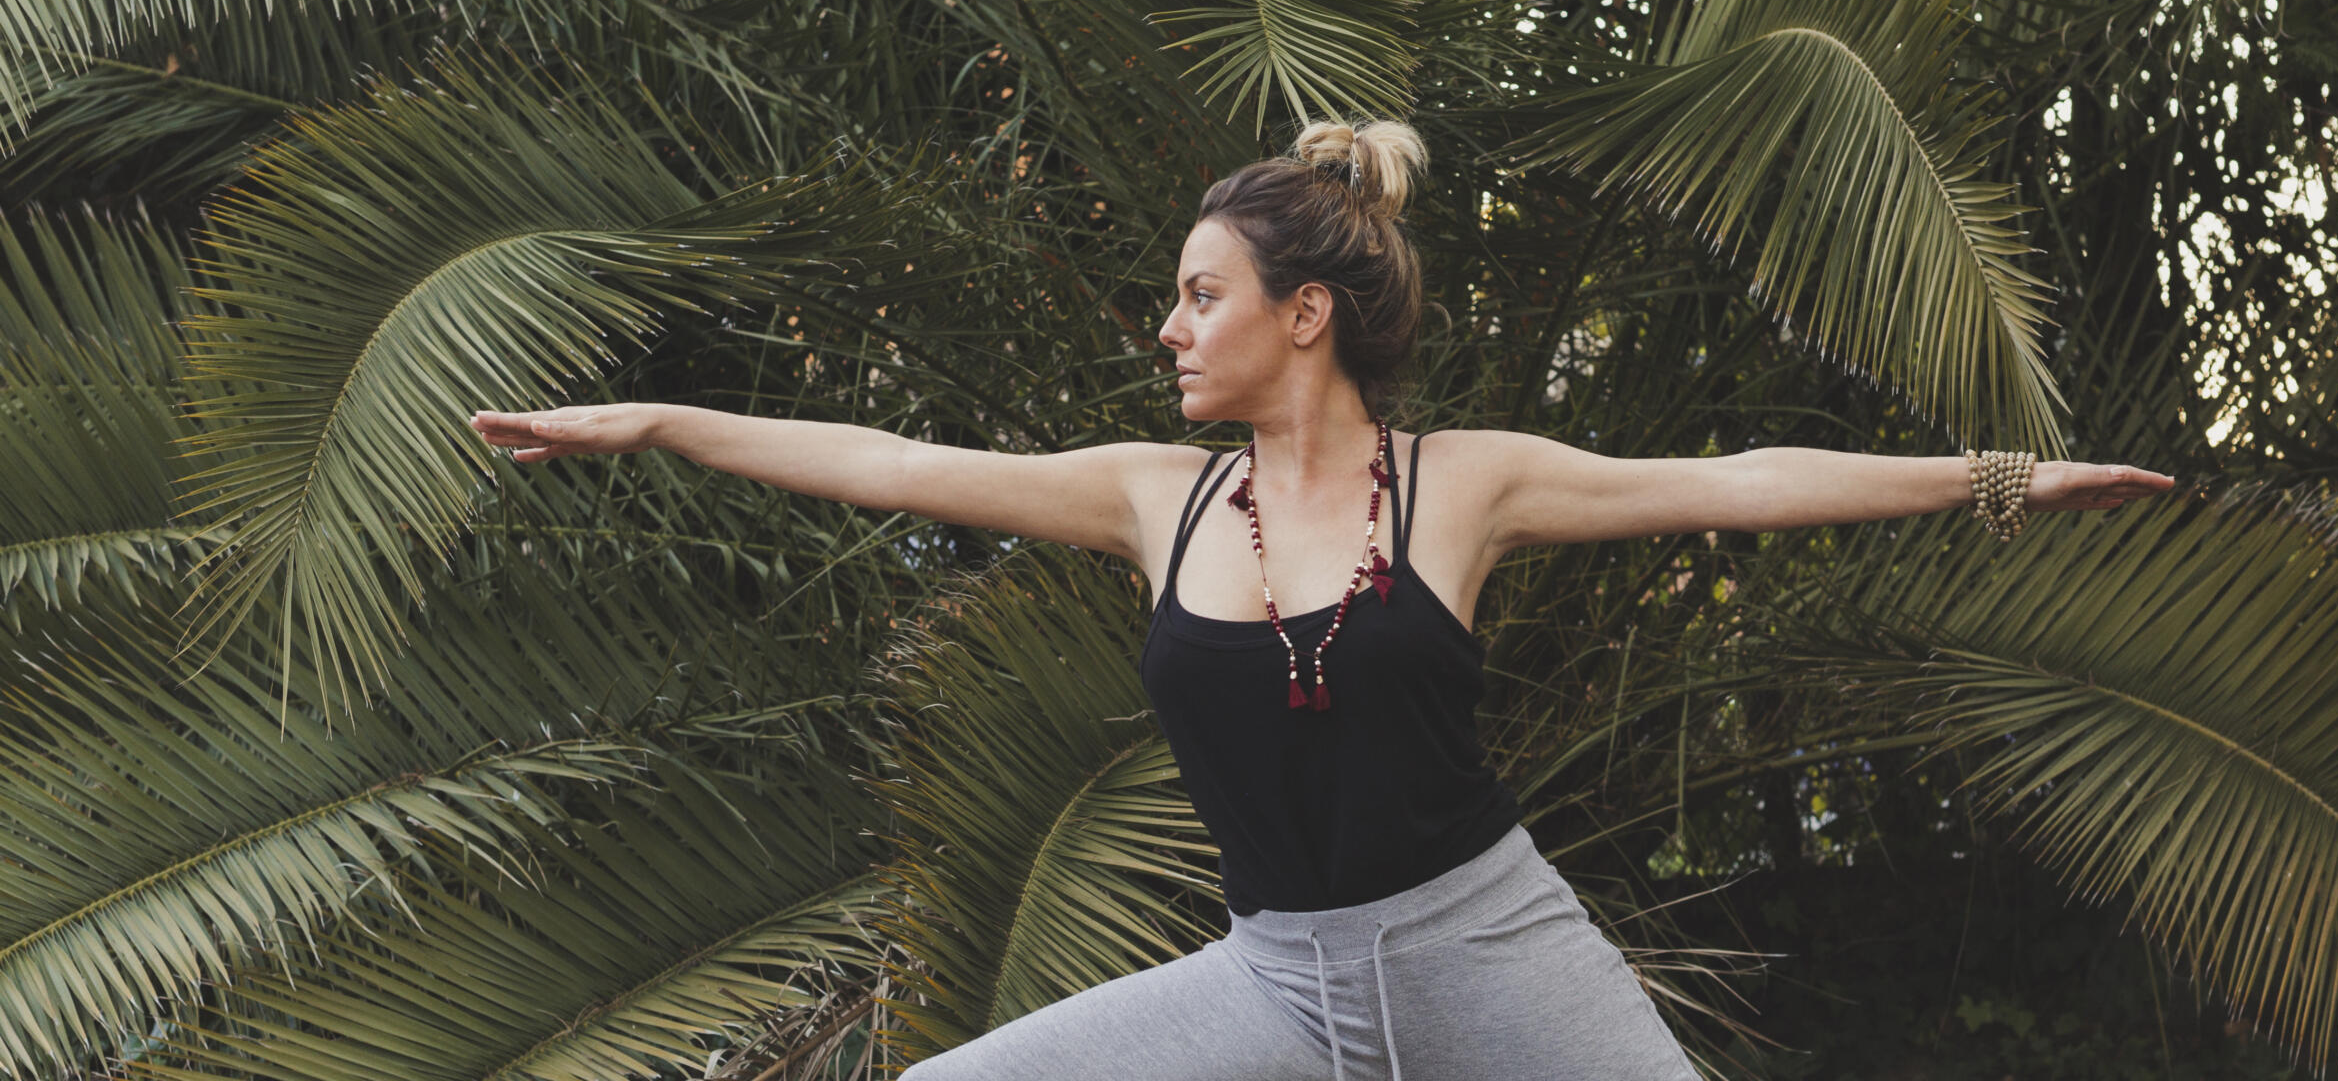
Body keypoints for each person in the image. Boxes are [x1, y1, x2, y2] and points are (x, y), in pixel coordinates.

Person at [468, 118, 2174, 1080]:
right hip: (1273, 983)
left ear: (1306, 314)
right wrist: (664, 424)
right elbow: (892, 461)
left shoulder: (1466, 484)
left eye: (1201, 294)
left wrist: (2000, 478)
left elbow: (1739, 484)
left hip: (1489, 951)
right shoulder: (1154, 497)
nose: (1170, 326)